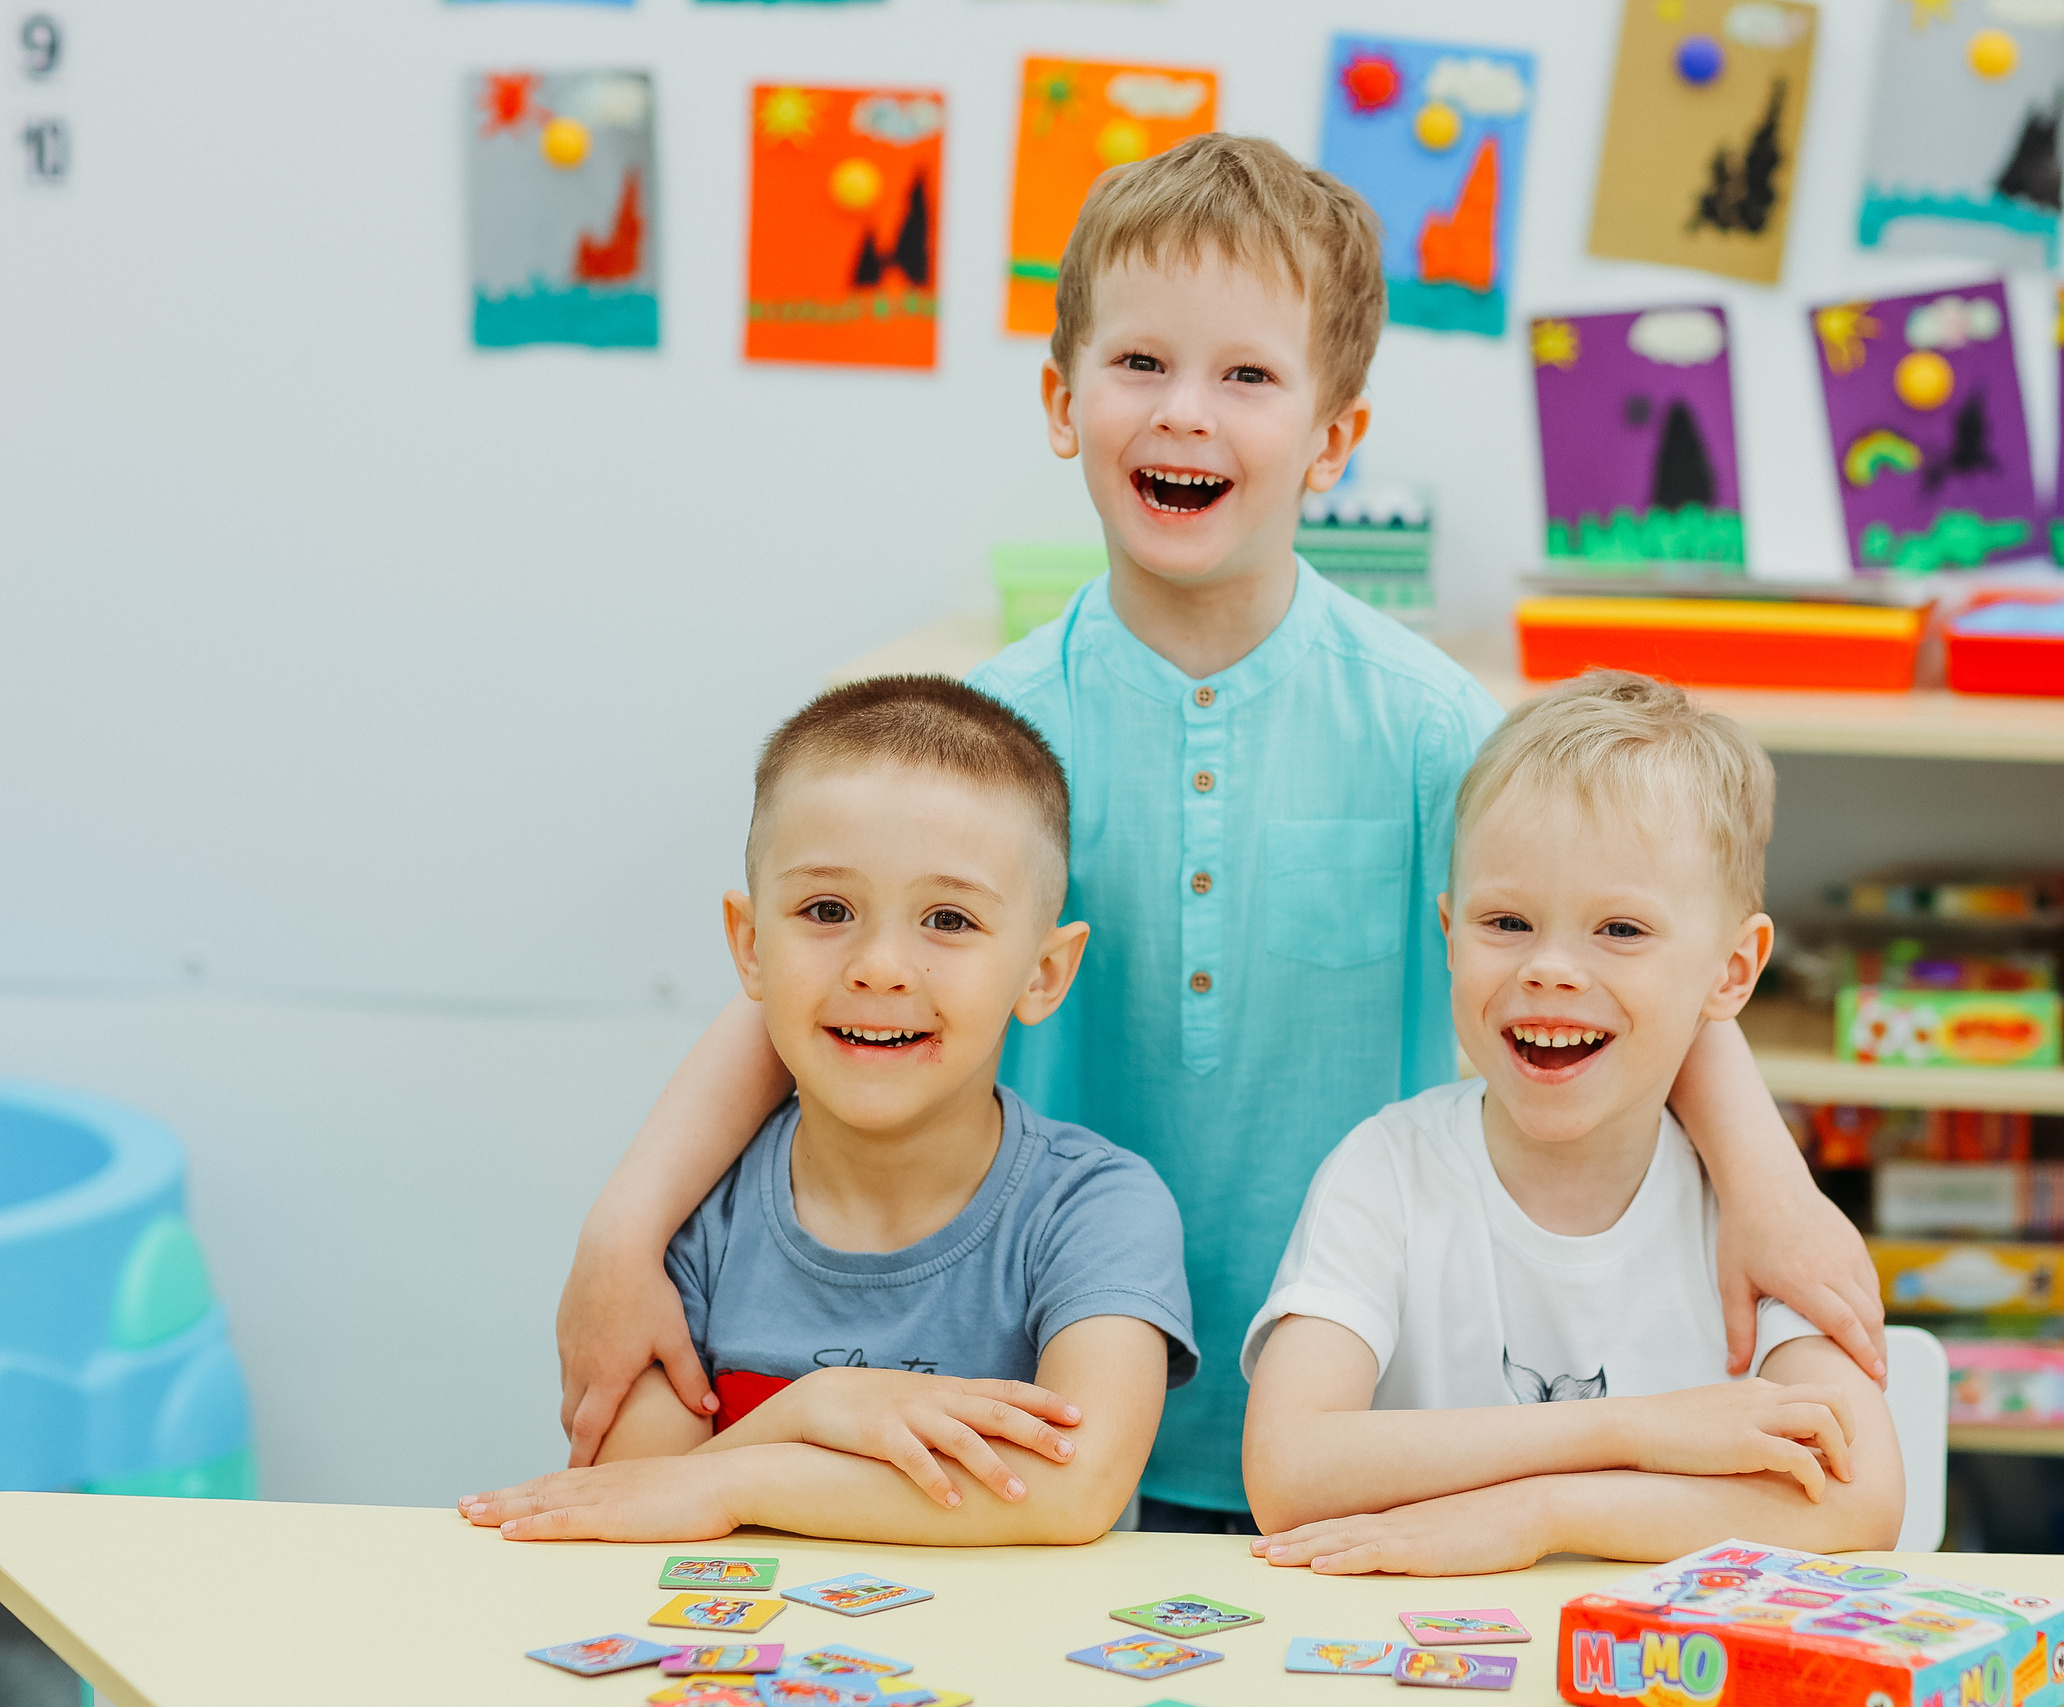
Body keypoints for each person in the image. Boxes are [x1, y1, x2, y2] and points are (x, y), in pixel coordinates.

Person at [549, 133, 1882, 1531]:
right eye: (1141, 364)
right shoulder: (982, 735)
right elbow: (802, 982)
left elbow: (1626, 960)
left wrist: (1771, 1188)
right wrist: (622, 1229)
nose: (1186, 412)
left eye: (1247, 375)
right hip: (1036, 1409)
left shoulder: (1436, 728)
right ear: (1064, 402)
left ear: (1334, 437)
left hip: (1376, 1433)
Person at [458, 677, 1194, 1544]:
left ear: (1044, 973)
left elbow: (1073, 1490)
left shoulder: (1099, 1208)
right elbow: (635, 1500)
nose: (881, 966)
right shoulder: (694, 1215)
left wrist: (743, 1469)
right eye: (828, 909)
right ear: (749, 944)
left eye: (948, 918)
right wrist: (822, 1408)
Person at [1240, 673, 1904, 1573]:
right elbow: (1287, 1468)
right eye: (1506, 920)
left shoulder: (1753, 1212)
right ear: (1448, 932)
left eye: (1621, 929)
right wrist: (1636, 1429)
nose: (1551, 968)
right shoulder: (1385, 1170)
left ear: (1732, 969)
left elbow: (1860, 1497)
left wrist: (1546, 1514)